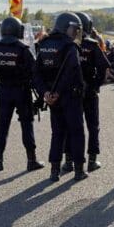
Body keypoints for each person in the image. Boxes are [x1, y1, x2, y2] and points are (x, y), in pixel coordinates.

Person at [34, 12, 88, 182]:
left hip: (52, 98)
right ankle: (79, 170)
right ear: (66, 27)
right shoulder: (70, 47)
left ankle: (54, 171)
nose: (75, 32)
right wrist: (59, 92)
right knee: (76, 132)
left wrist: (46, 93)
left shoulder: (43, 45)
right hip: (69, 96)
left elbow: (36, 73)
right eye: (74, 28)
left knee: (57, 133)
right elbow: (72, 73)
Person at [0, 17, 44, 172]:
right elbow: (34, 72)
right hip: (21, 91)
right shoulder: (22, 49)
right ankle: (31, 160)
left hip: (3, 91)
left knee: (3, 126)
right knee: (27, 125)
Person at [60, 12, 111, 173]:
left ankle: (68, 162)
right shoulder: (91, 45)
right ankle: (92, 160)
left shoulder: (65, 45)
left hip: (70, 92)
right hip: (89, 91)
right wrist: (96, 84)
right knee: (93, 126)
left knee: (70, 127)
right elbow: (104, 66)